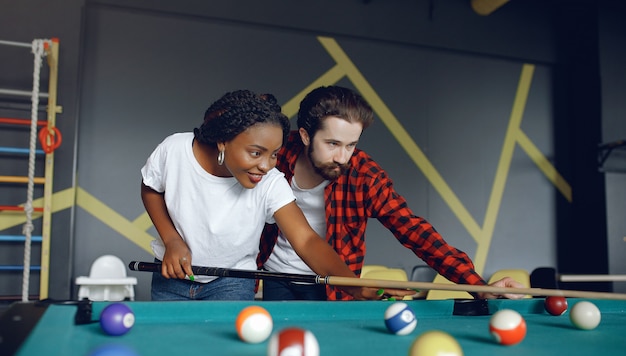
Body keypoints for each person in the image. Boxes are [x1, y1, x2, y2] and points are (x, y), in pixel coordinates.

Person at [257, 85, 523, 301]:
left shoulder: (365, 175)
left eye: (351, 145)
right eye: (332, 144)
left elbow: (414, 231)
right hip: (275, 276)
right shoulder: (276, 153)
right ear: (304, 135)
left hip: (335, 288)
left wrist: (477, 285)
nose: (342, 157)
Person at [140, 89, 358, 301]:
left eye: (274, 154)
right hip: (171, 276)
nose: (265, 165)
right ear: (224, 141)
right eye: (256, 153)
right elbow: (151, 188)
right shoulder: (175, 150)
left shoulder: (271, 181)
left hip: (232, 282)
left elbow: (307, 240)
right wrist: (172, 240)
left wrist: (355, 287)